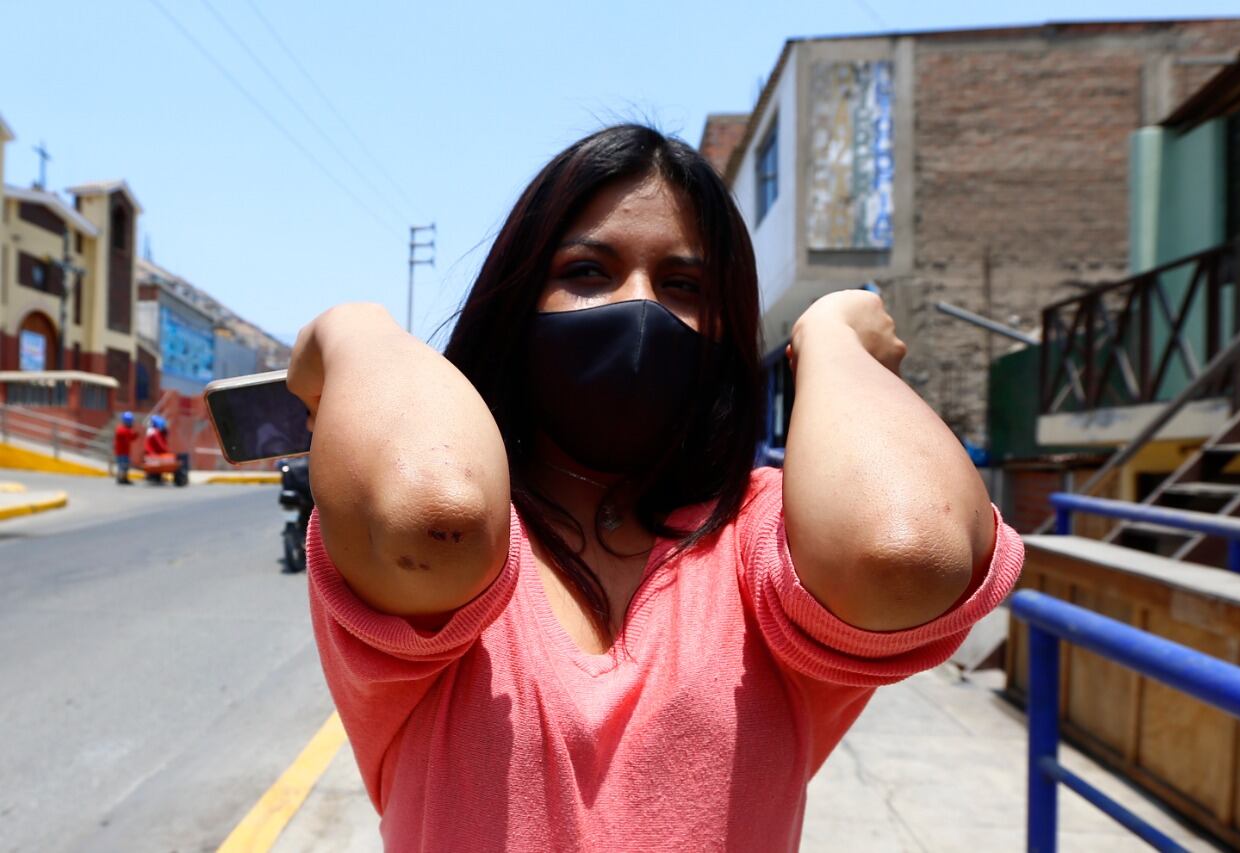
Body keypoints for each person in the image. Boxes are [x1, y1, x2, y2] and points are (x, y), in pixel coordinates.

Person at [288, 125, 1024, 852]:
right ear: (516, 302)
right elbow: (431, 512)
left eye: (684, 286)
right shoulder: (470, 539)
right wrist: (354, 329)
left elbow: (905, 554)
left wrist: (830, 337)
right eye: (587, 272)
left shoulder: (765, 540)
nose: (641, 310)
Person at [113, 411, 137, 485]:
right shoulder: (121, 429)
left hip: (125, 451)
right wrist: (133, 433)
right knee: (122, 465)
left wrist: (135, 434)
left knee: (125, 466)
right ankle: (121, 478)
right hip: (121, 452)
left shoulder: (126, 429)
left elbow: (132, 437)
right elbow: (129, 436)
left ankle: (124, 478)